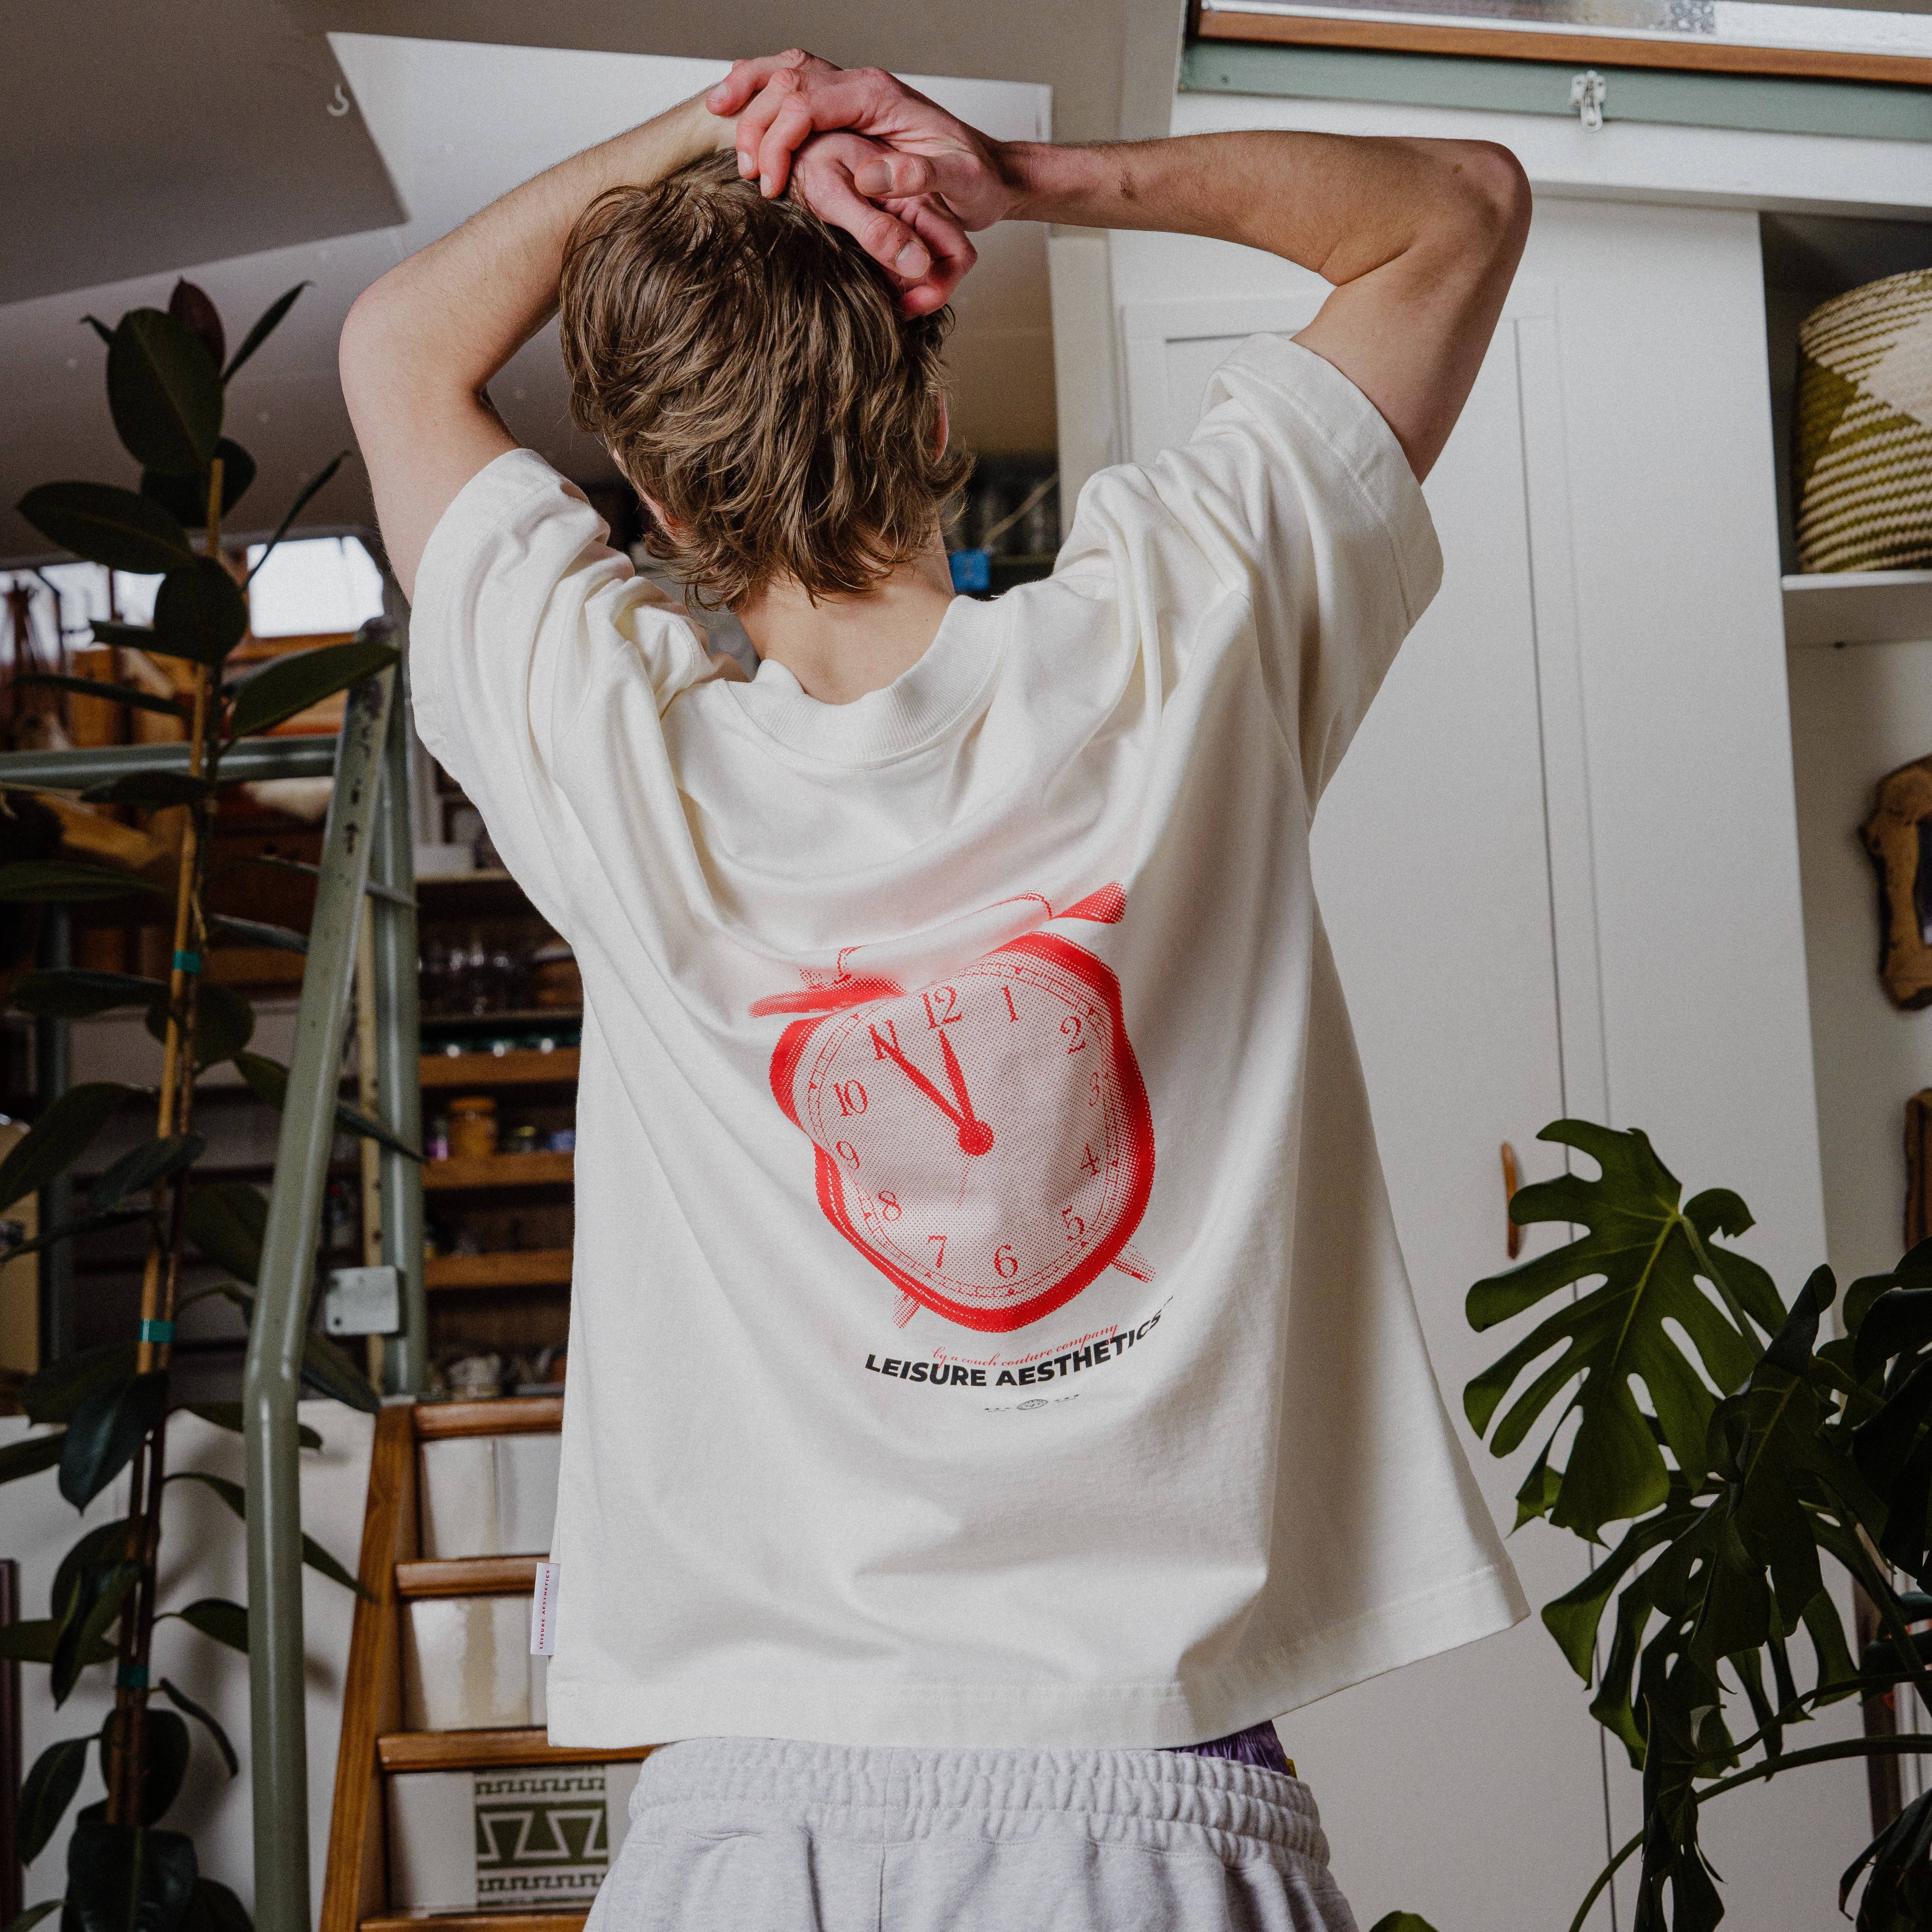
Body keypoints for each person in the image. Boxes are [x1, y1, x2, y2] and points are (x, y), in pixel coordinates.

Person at [340, 48, 1531, 1932]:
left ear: (659, 496)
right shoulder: (1184, 632)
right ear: (930, 398)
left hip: (742, 1821)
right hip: (1142, 1804)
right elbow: (1453, 212)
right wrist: (1014, 176)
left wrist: (728, 116)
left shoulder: (613, 762)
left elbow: (401, 344)